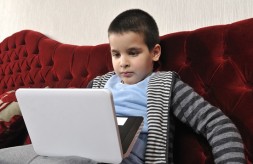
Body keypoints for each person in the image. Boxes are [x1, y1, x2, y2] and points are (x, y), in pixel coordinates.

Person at [0, 9, 246, 164]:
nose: (123, 62)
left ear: (155, 52)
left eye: (133, 52)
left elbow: (217, 124)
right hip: (74, 152)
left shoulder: (164, 85)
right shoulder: (98, 84)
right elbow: (75, 125)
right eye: (116, 54)